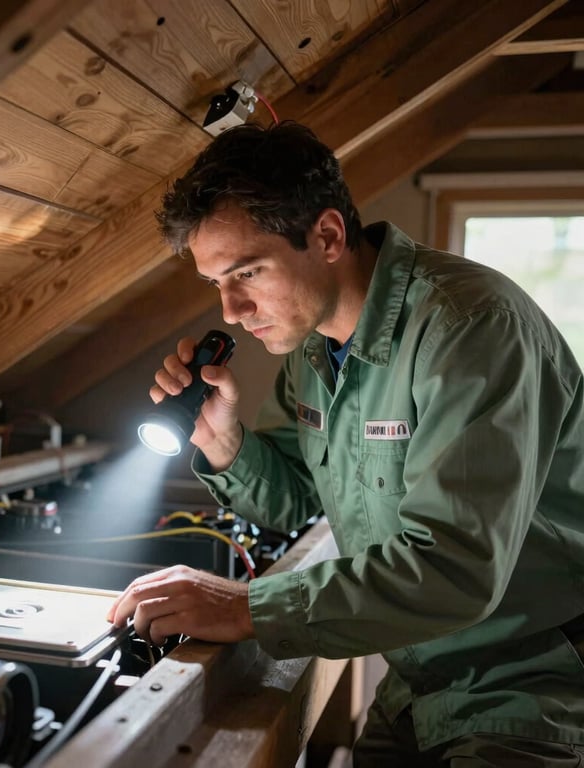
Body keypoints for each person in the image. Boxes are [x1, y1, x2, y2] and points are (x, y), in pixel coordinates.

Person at [106, 121, 584, 765]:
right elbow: (294, 500)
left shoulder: (470, 326)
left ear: (328, 236)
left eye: (247, 271)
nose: (231, 309)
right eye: (216, 282)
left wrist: (247, 605)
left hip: (535, 690)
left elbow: (456, 570)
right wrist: (224, 443)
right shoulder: (312, 349)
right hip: (418, 683)